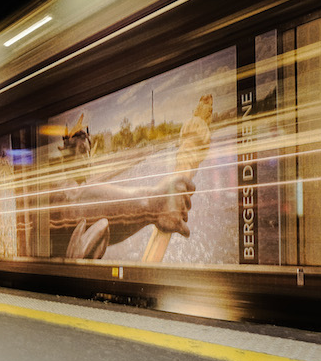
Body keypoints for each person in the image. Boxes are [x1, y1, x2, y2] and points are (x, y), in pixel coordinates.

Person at [51, 94, 212, 259]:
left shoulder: (87, 191)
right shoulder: (61, 195)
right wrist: (153, 204)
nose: (83, 159)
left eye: (85, 152)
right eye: (77, 152)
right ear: (65, 157)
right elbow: (73, 201)